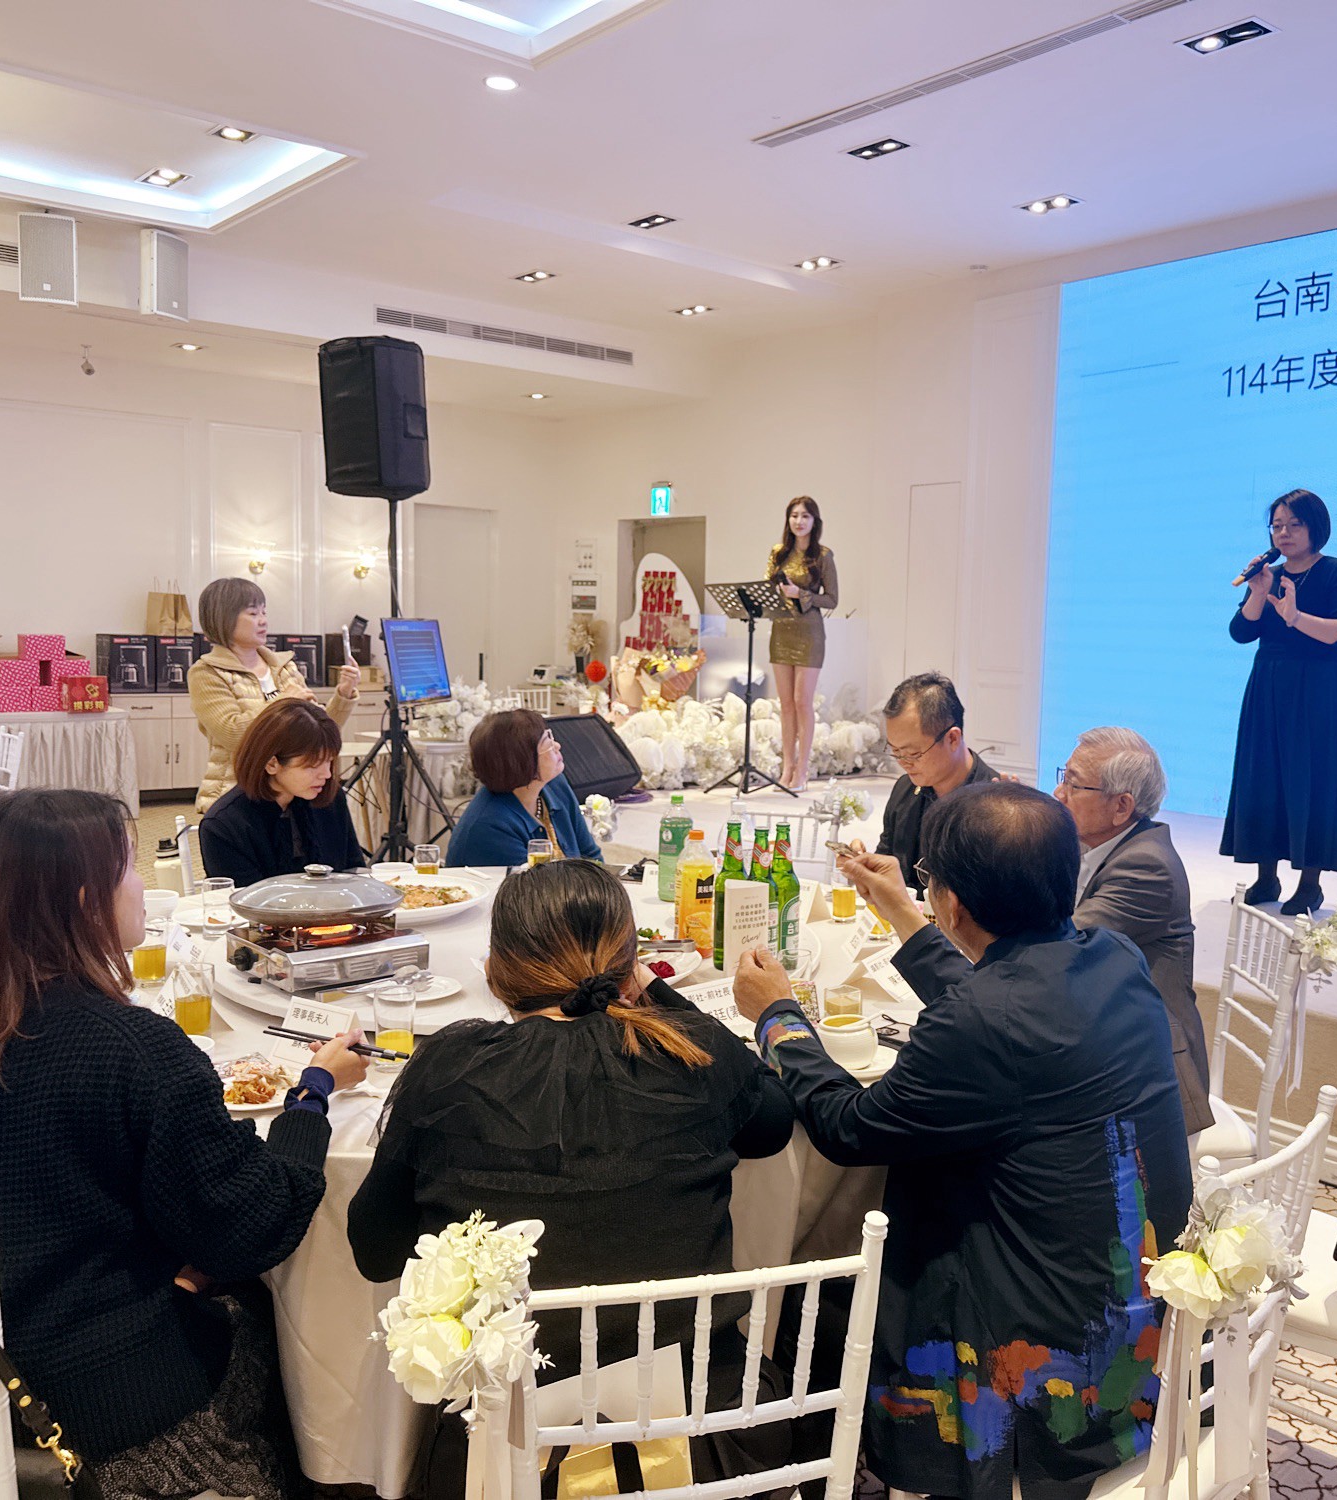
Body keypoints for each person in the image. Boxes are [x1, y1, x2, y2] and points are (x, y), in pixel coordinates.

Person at [0, 788, 368, 1500]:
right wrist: (312, 1096)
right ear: (86, 900)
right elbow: (253, 1226)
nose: (141, 886)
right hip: (103, 1430)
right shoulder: (133, 1049)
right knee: (260, 1316)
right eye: (129, 869)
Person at [736, 782, 1192, 1500]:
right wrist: (903, 911)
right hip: (1134, 1312)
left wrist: (780, 1020)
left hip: (1044, 1365)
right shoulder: (1111, 956)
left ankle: (839, 1468)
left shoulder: (980, 1022)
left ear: (951, 903)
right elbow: (1002, 1000)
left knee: (817, 1290)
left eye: (930, 882)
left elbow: (850, 1128)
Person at [348, 859, 796, 1493]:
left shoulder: (450, 1070)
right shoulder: (690, 1054)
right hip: (707, 1432)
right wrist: (651, 996)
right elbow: (773, 1126)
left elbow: (375, 1251)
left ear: (495, 971)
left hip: (508, 1448)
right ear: (630, 968)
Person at [1056, 727, 1211, 1136]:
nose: (1058, 793)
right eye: (1063, 777)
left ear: (1121, 806)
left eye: (1073, 784)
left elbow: (1063, 949)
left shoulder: (1146, 867)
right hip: (1105, 1034)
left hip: (1150, 1077)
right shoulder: (1094, 842)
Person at [1221, 489, 1337, 918]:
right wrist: (1258, 591)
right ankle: (1266, 876)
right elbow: (1241, 632)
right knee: (1263, 776)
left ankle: (1309, 885)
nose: (1283, 533)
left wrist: (1296, 618)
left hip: (1317, 688)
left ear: (1315, 527)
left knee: (1312, 778)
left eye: (1294, 525)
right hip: (1268, 685)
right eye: (1277, 526)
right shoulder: (1270, 575)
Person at [189, 575, 359, 812]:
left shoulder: (283, 666)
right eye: (253, 613)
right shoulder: (206, 672)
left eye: (264, 612)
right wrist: (283, 700)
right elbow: (233, 734)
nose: (263, 621)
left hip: (291, 793)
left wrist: (343, 693)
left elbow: (318, 732)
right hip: (237, 794)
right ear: (224, 618)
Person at [198, 698, 365, 889]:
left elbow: (353, 872)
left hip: (336, 906)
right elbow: (244, 901)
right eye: (312, 766)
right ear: (272, 764)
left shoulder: (330, 799)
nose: (326, 774)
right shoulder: (224, 825)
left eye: (329, 761)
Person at [858, 673, 997, 895]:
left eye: (913, 753)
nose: (903, 763)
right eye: (895, 751)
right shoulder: (905, 789)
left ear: (952, 738)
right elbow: (888, 860)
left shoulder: (995, 805)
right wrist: (866, 870)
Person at [446, 709, 601, 867]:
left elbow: (592, 857)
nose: (557, 745)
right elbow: (534, 881)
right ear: (521, 761)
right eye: (547, 743)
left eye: (550, 737)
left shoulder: (555, 785)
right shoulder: (490, 826)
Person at [765, 495, 838, 793]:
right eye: (794, 515)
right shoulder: (778, 553)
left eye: (805, 516)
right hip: (781, 630)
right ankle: (787, 768)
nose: (799, 521)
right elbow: (767, 588)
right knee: (785, 704)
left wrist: (801, 594)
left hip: (809, 633)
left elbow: (832, 599)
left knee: (801, 702)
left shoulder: (823, 555)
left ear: (814, 521)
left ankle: (803, 770)